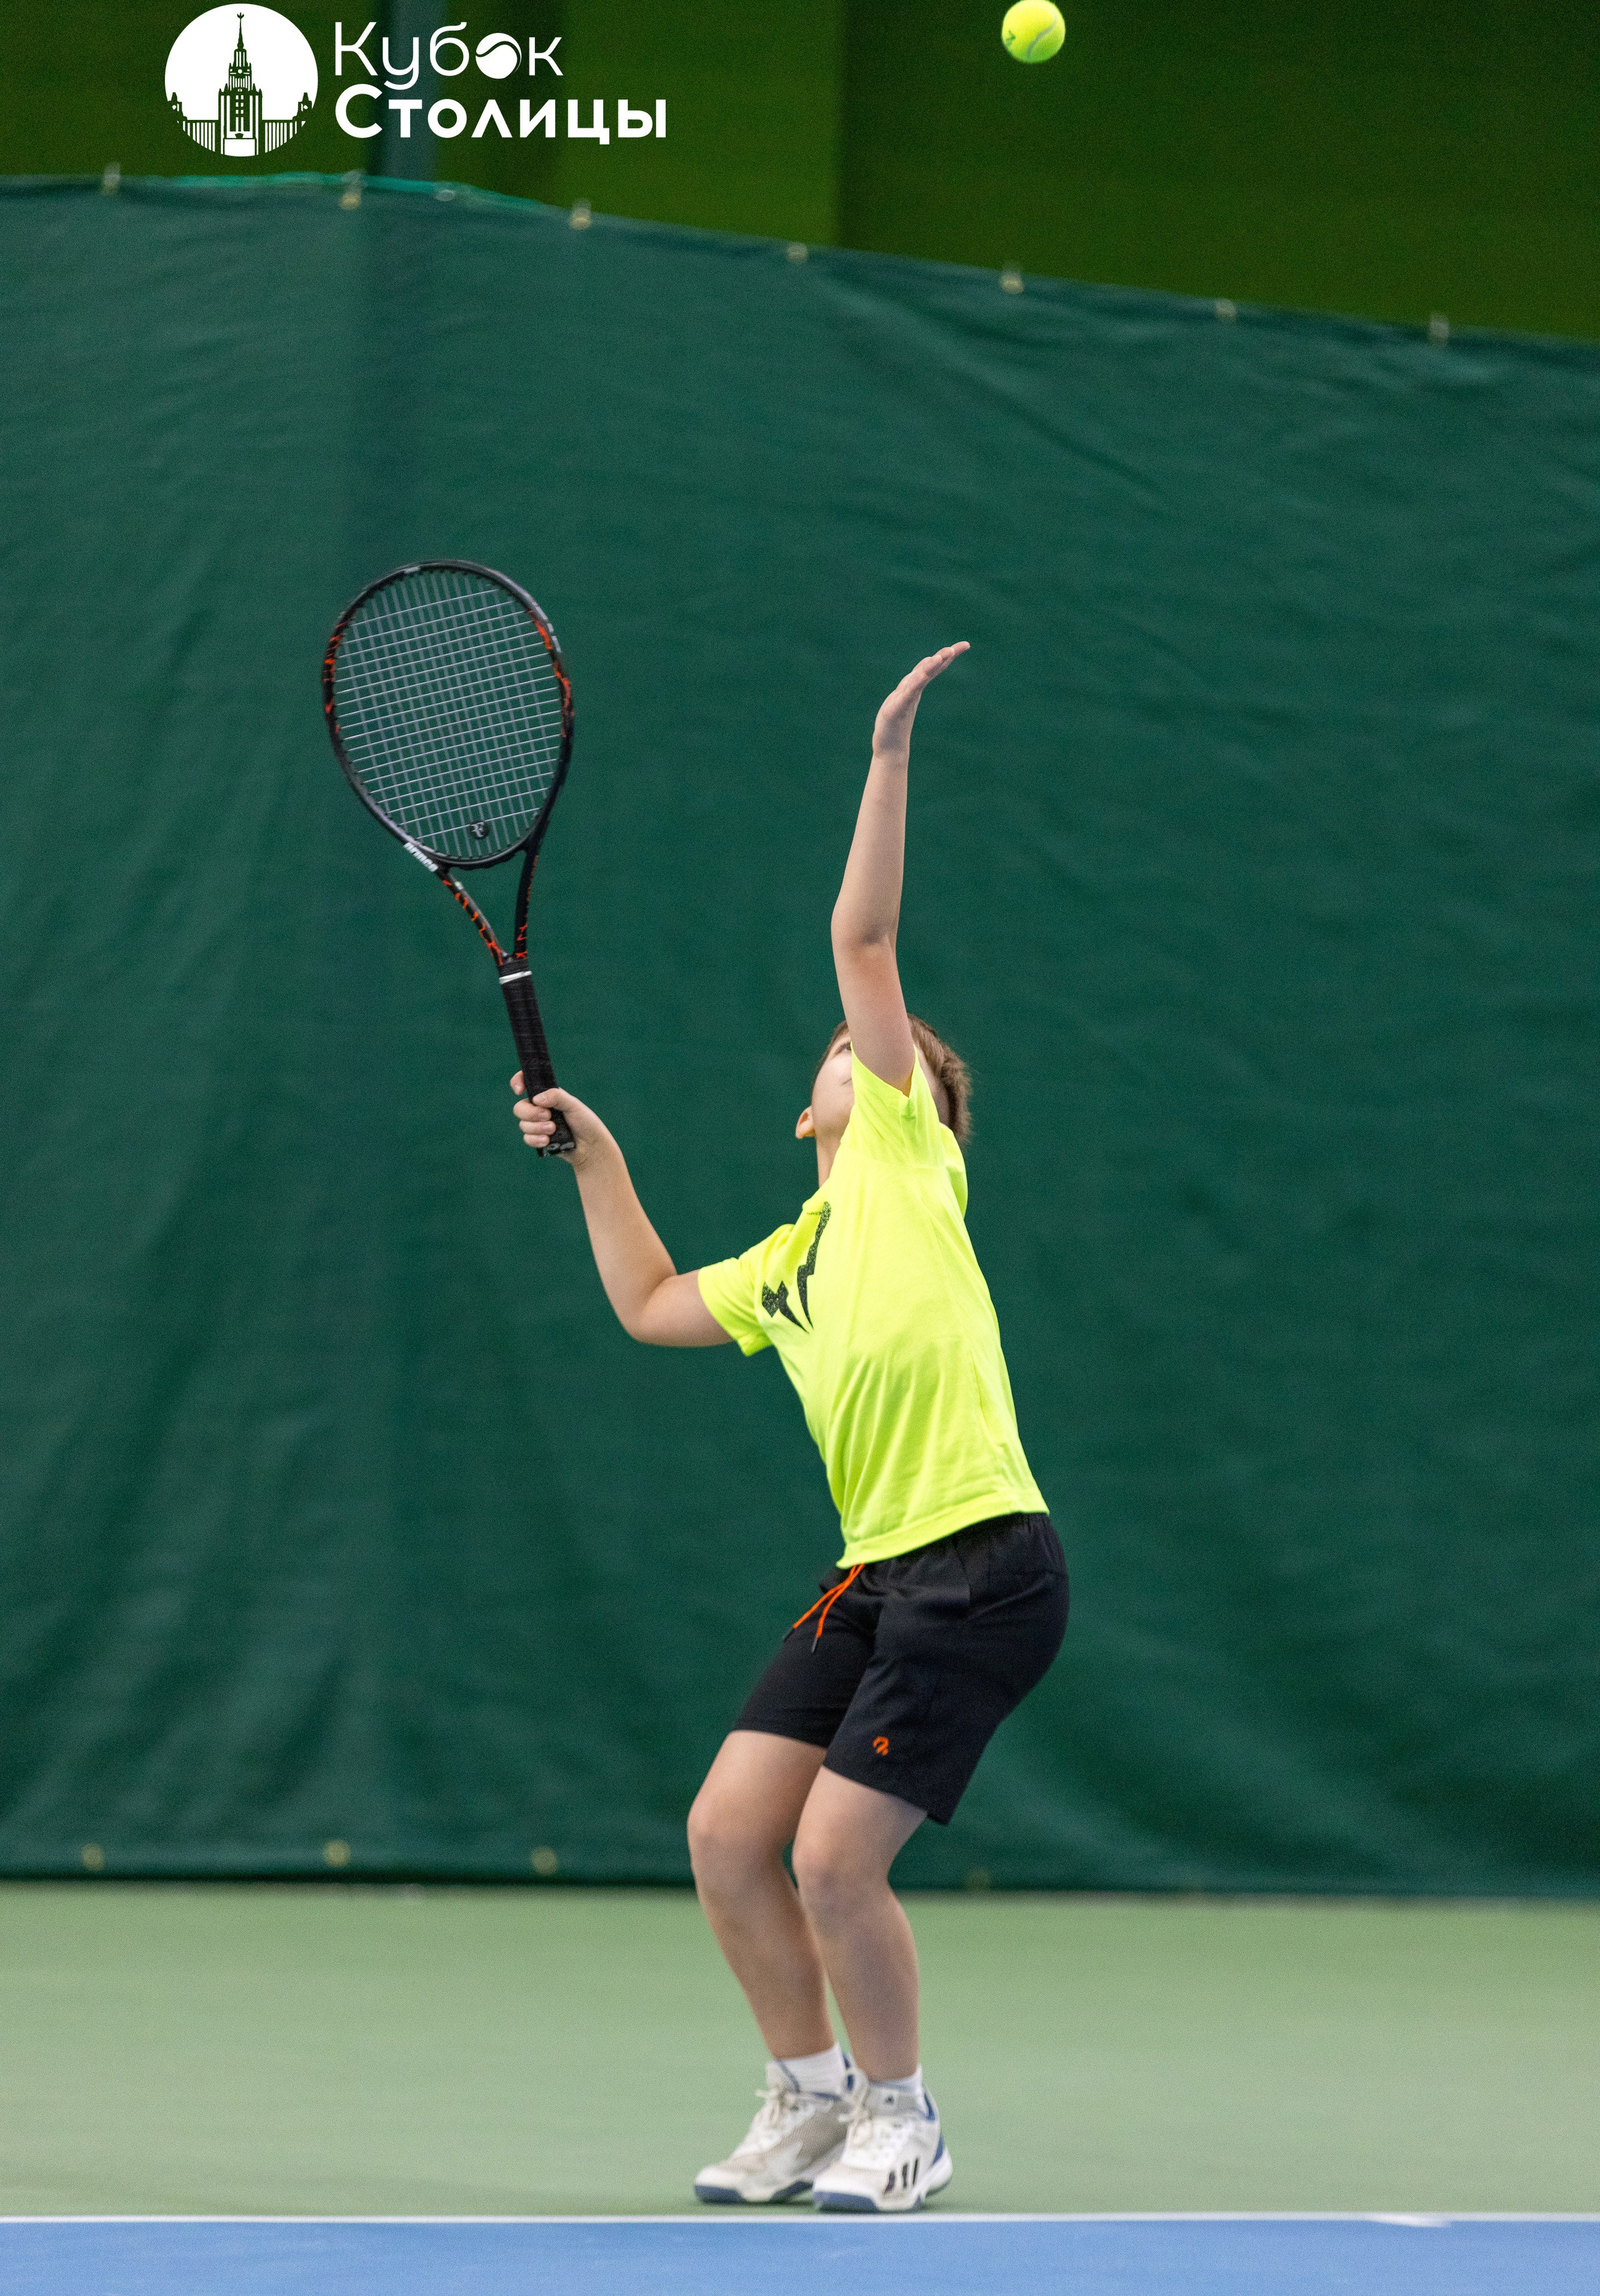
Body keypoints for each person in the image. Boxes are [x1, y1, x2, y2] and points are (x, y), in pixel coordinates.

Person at [512, 642, 1069, 2213]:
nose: (871, 1051)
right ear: (805, 1106)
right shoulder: (788, 1257)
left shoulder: (908, 1152)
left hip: (983, 1563)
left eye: (891, 1055)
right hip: (875, 1574)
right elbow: (646, 1300)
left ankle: (904, 2112)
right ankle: (808, 2097)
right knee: (725, 1831)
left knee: (835, 1855)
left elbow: (862, 930)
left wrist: (886, 753)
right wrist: (596, 1155)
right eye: (848, 1052)